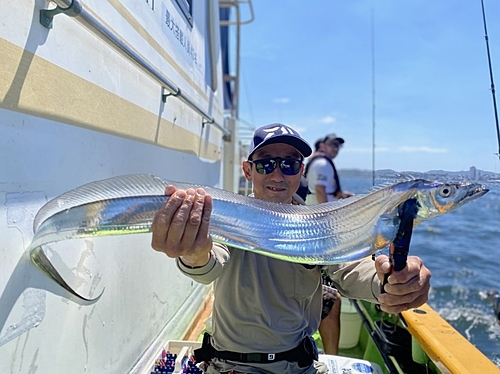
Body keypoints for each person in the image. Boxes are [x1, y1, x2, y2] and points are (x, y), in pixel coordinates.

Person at [151, 123, 432, 374]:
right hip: (233, 367)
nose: (277, 175)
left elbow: (352, 269)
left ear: (301, 171)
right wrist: (192, 252)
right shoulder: (230, 216)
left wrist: (392, 282)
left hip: (302, 366)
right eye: (265, 164)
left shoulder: (317, 224)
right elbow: (208, 264)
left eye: (289, 164)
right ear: (248, 170)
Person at [305, 134, 353, 205]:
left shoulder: (318, 162)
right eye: (333, 144)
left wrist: (341, 194)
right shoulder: (323, 164)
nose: (336, 148)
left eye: (338, 145)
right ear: (322, 146)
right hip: (319, 212)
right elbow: (319, 190)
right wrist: (326, 214)